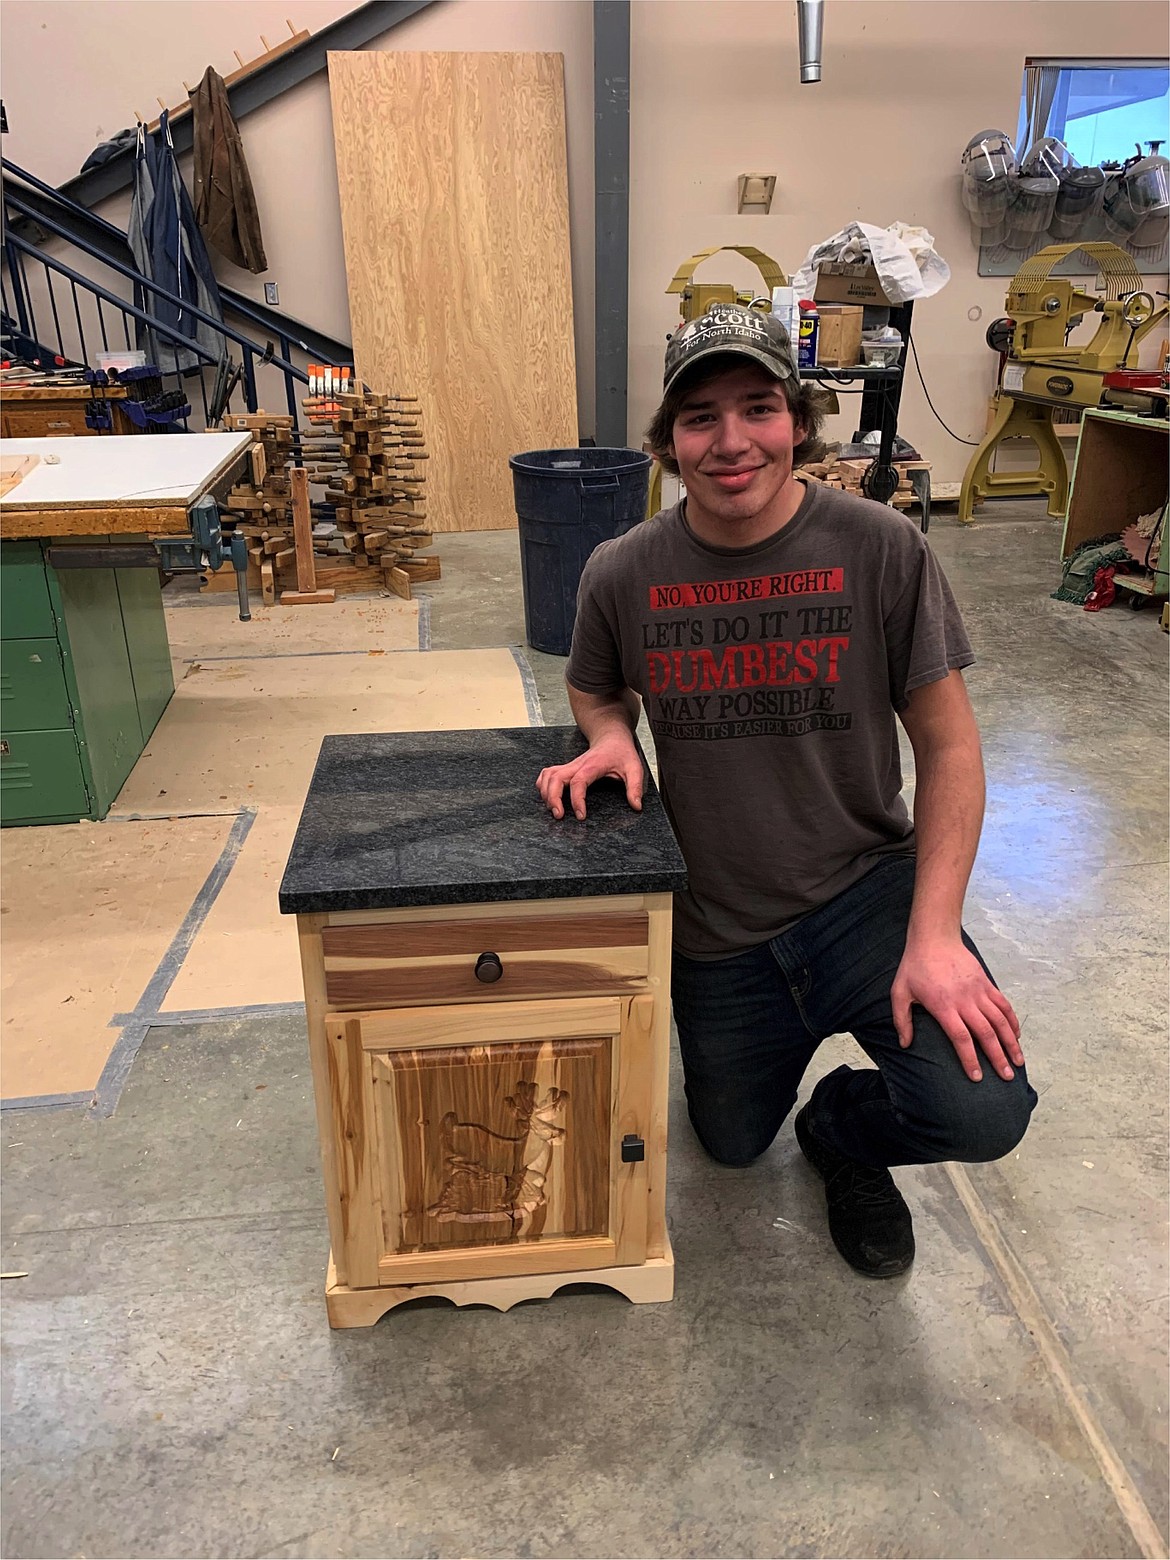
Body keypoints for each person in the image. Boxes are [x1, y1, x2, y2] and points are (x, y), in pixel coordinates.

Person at [536, 301, 1036, 1279]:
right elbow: (595, 685)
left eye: (758, 408)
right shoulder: (622, 572)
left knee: (979, 1108)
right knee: (728, 1146)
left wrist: (933, 937)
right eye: (700, 417)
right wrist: (608, 736)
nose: (732, 442)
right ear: (667, 444)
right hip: (721, 932)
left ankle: (845, 1131)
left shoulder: (882, 550)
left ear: (799, 422)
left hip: (864, 898)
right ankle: (787, 1089)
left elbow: (951, 748)